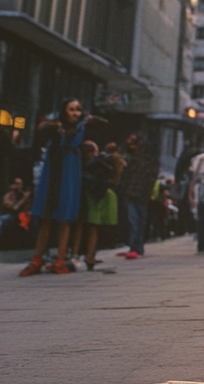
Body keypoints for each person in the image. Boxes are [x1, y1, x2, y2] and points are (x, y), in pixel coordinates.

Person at [19, 99, 103, 276]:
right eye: (71, 109)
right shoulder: (55, 127)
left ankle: (60, 260)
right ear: (64, 111)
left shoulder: (81, 128)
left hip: (69, 174)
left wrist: (88, 120)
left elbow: (100, 127)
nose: (75, 113)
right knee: (46, 216)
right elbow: (40, 134)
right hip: (52, 173)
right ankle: (38, 258)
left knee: (65, 217)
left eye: (78, 110)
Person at [78, 141, 118, 270]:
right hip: (94, 196)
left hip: (88, 196)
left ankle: (83, 255)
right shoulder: (98, 163)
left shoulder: (79, 165)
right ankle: (89, 255)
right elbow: (112, 172)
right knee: (93, 227)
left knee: (86, 227)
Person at [120, 135, 159, 259]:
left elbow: (151, 176)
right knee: (135, 220)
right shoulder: (130, 158)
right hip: (132, 192)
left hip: (140, 193)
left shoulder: (145, 160)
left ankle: (137, 246)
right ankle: (135, 246)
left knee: (139, 220)